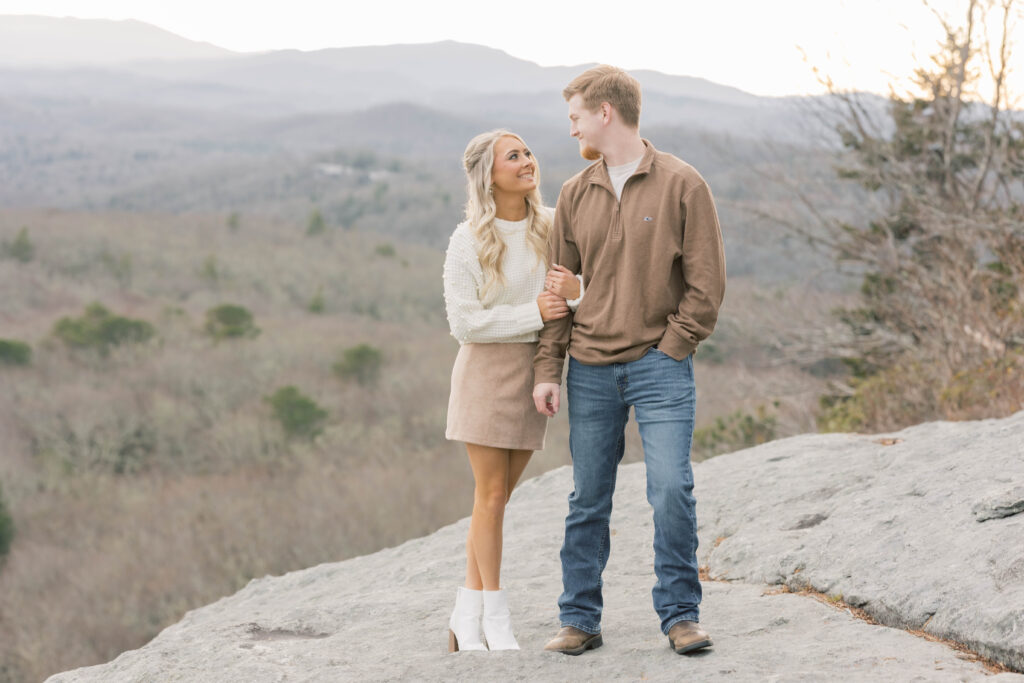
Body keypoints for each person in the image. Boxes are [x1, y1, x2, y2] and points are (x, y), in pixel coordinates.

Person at [532, 66, 726, 656]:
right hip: (588, 370)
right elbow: (556, 295)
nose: (572, 130)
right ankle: (579, 620)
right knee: (588, 496)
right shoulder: (573, 193)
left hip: (658, 365)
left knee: (670, 488)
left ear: (605, 112)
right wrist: (548, 369)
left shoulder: (682, 184)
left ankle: (680, 615)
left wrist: (673, 347)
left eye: (575, 117)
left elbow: (706, 283)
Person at [443, 129, 583, 652]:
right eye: (514, 156)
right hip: (484, 373)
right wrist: (533, 312)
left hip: (533, 372)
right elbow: (464, 323)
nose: (528, 162)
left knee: (494, 502)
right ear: (490, 174)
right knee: (492, 496)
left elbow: (577, 291)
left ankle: (464, 614)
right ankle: (495, 618)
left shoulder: (550, 228)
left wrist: (574, 296)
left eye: (527, 152)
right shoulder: (468, 239)